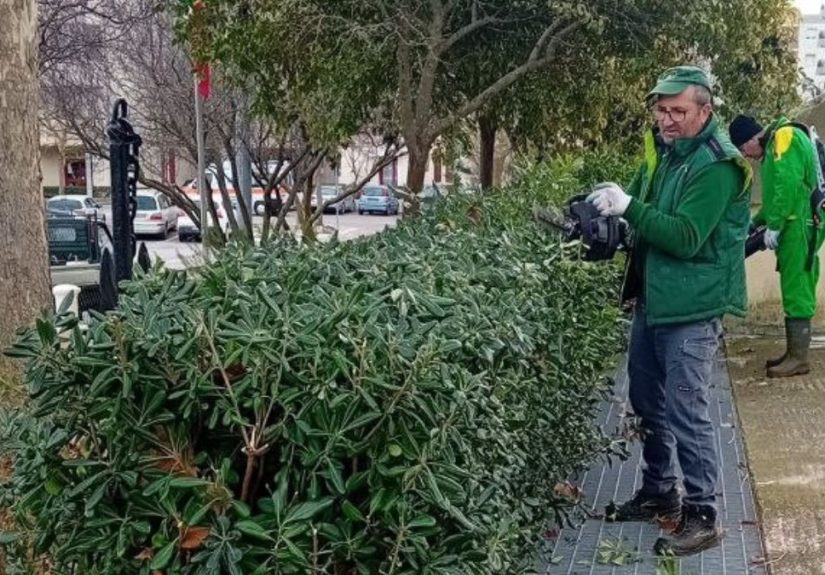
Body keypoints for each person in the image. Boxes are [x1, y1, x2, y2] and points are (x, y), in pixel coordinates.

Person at [587, 66, 752, 556]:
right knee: (646, 400)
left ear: (705, 110)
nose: (667, 119)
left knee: (687, 410)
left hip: (692, 308)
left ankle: (703, 515)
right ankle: (660, 490)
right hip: (655, 300)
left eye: (678, 110)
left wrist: (630, 208)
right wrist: (615, 221)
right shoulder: (665, 152)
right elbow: (644, 211)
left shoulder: (718, 165)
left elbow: (684, 236)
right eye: (662, 110)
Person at [729, 114, 824, 378]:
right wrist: (756, 223)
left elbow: (788, 184)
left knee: (797, 285)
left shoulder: (784, 137)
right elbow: (774, 196)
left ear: (751, 138)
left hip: (799, 224)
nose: (745, 155)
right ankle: (793, 353)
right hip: (793, 223)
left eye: (743, 148)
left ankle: (799, 359)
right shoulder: (774, 147)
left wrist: (776, 224)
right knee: (793, 283)